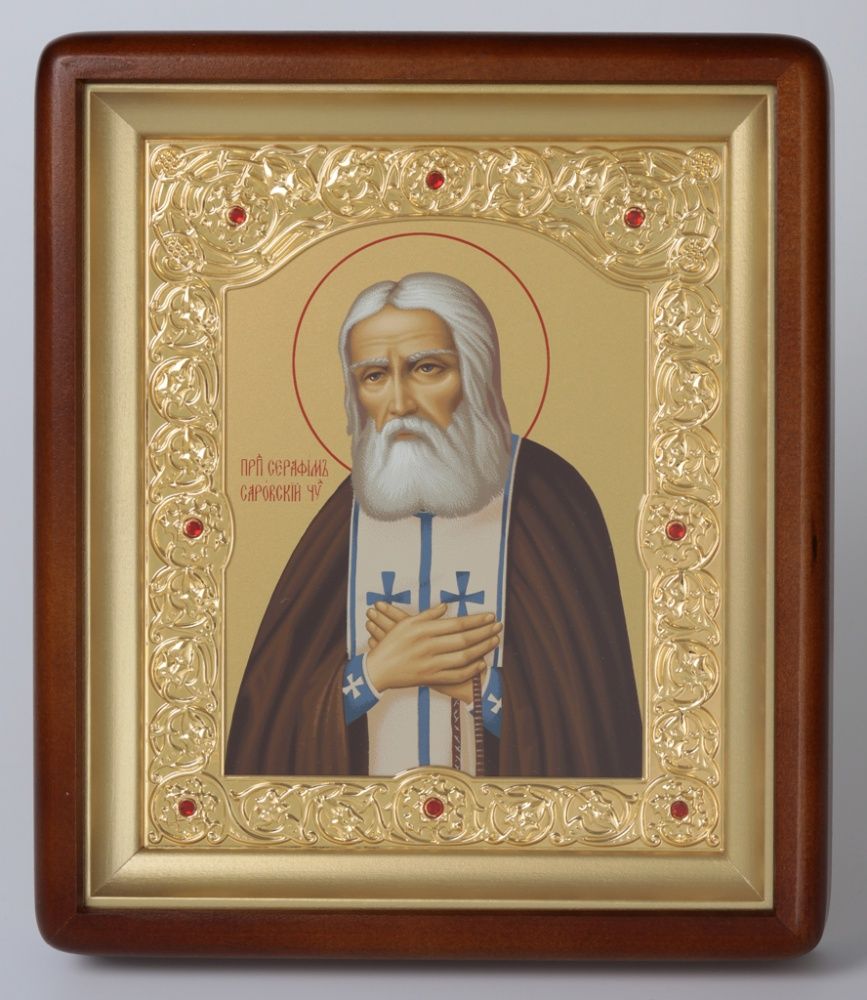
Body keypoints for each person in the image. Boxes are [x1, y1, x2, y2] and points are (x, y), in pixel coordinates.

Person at [226, 272, 642, 778]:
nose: (400, 402)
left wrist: (479, 688)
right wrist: (373, 675)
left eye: (427, 368)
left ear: (477, 374)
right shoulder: (343, 516)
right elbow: (266, 729)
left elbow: (596, 728)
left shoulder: (549, 500)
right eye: (374, 376)